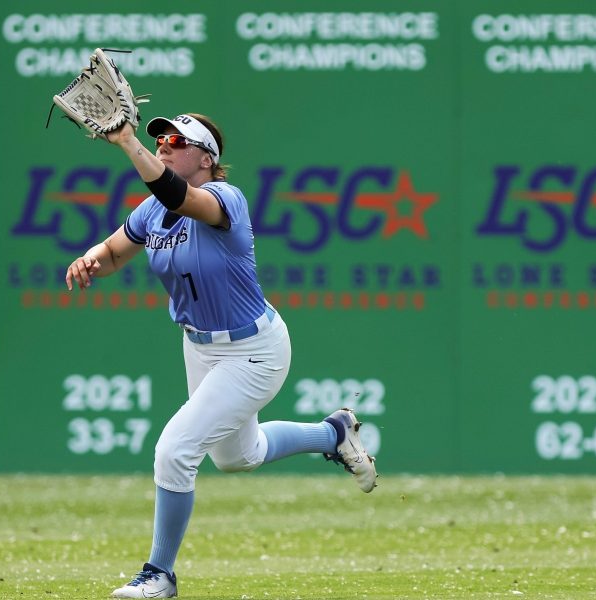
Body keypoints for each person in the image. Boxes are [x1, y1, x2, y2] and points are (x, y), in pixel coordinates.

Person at [64, 113, 378, 599]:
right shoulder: (151, 211)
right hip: (201, 346)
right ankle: (332, 433)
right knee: (237, 457)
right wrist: (90, 260)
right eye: (159, 139)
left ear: (206, 158)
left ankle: (159, 575)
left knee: (175, 451)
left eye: (175, 141)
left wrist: (128, 143)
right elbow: (113, 252)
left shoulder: (224, 199)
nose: (164, 145)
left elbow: (180, 197)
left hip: (253, 351)